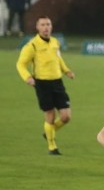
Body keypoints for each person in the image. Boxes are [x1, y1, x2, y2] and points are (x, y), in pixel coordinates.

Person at [16, 16, 75, 155]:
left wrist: (66, 71)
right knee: (50, 115)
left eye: (48, 24)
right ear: (37, 27)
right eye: (42, 25)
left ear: (51, 26)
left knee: (66, 116)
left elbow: (58, 59)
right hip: (42, 83)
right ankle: (52, 146)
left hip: (57, 82)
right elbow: (20, 64)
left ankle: (49, 131)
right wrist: (27, 77)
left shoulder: (55, 42)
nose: (46, 27)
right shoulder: (32, 45)